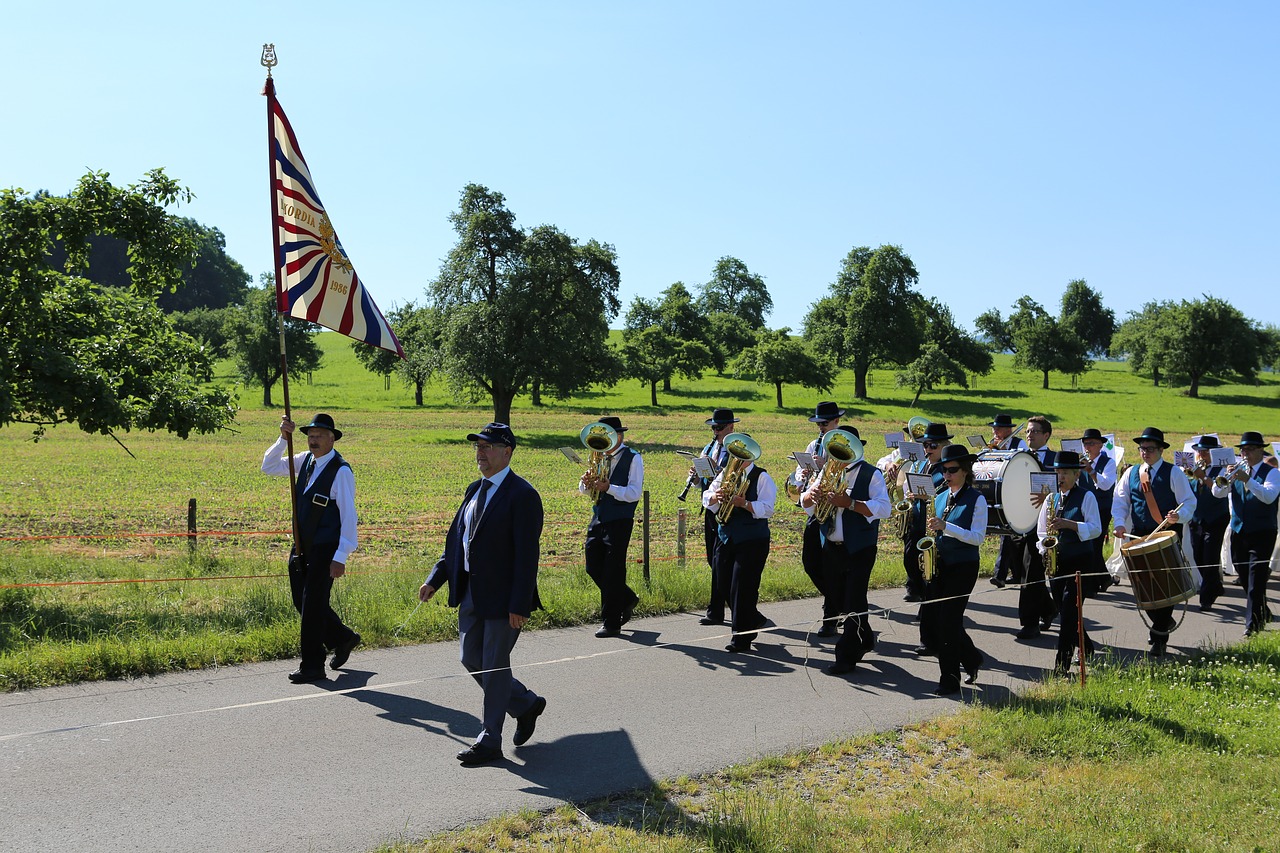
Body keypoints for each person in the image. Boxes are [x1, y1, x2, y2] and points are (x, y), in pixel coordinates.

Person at [419, 423, 547, 766]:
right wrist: (436, 578)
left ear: (507, 451)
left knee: (493, 666)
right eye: (477, 447)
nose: (480, 453)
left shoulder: (523, 495)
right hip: (471, 592)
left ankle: (490, 739)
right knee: (470, 659)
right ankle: (525, 704)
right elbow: (458, 542)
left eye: (487, 447)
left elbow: (526, 556)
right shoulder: (474, 489)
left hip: (505, 598)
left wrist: (519, 603)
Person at [261, 413, 361, 684]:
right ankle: (343, 638)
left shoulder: (341, 471)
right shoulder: (304, 460)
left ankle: (313, 666)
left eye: (319, 435)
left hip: (326, 549)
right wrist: (283, 439)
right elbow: (268, 467)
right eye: (310, 435)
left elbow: (348, 518)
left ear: (332, 438)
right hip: (302, 546)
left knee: (313, 606)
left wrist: (341, 556)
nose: (313, 440)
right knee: (302, 602)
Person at [801, 426, 891, 675]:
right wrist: (812, 495)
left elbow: (884, 509)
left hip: (860, 548)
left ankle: (845, 658)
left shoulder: (871, 475)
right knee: (842, 598)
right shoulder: (829, 471)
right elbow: (805, 504)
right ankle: (865, 636)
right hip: (832, 546)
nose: (838, 454)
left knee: (853, 599)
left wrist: (849, 503)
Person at [1113, 426, 1196, 657]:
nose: (1145, 452)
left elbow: (1189, 501)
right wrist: (1119, 523)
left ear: (1161, 450)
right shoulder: (1131, 473)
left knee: (1165, 585)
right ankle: (1163, 623)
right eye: (1142, 448)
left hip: (1166, 536)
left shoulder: (1174, 473)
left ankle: (1159, 638)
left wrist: (1179, 516)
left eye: (1150, 448)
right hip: (1139, 535)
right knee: (1144, 588)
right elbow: (1120, 500)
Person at [919, 444, 988, 695]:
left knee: (948, 623)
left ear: (965, 470)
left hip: (964, 566)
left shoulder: (977, 499)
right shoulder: (940, 496)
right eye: (944, 470)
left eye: (952, 470)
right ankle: (972, 659)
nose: (946, 475)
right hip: (940, 565)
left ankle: (949, 680)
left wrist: (946, 526)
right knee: (942, 621)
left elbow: (977, 537)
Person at [703, 434, 777, 653]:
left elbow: (768, 509)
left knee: (742, 588)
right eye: (734, 453)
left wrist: (744, 503)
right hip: (726, 536)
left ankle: (741, 638)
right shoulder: (725, 474)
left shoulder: (761, 477)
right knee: (723, 584)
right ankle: (752, 619)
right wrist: (716, 497)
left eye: (741, 454)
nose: (736, 458)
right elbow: (707, 498)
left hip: (753, 540)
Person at [1036, 451, 1102, 676]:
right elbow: (1041, 531)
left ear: (1076, 475)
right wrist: (1045, 548)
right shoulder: (1050, 498)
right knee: (1067, 612)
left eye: (1065, 472)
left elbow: (1096, 529)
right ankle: (1089, 648)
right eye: (1058, 472)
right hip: (1056, 562)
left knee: (1068, 611)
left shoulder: (1087, 497)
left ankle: (1061, 666)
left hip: (1080, 562)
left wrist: (1071, 525)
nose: (1061, 476)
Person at [579, 416, 643, 638]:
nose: (605, 441)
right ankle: (626, 598)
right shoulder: (598, 457)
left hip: (620, 519)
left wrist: (609, 488)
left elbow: (634, 493)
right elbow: (586, 492)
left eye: (609, 436)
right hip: (599, 516)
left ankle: (611, 622)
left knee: (613, 570)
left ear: (620, 436)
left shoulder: (634, 458)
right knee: (592, 566)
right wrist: (586, 484)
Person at [1211, 432, 1279, 636]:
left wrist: (1248, 480)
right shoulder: (1238, 470)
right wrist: (1223, 480)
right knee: (1243, 575)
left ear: (1260, 450)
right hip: (1239, 530)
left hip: (1263, 532)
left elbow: (1267, 497)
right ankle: (1263, 610)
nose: (1245, 454)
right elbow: (1217, 493)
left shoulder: (1273, 473)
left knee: (1255, 580)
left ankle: (1252, 625)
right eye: (1243, 450)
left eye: (1249, 449)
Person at [796, 401, 844, 635]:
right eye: (818, 424)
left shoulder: (845, 443)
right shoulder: (813, 444)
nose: (821, 428)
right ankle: (840, 601)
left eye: (825, 423)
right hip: (816, 509)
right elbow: (798, 475)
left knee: (832, 565)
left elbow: (852, 471)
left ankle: (831, 617)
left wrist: (827, 465)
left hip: (837, 509)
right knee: (810, 562)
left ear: (836, 421)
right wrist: (804, 473)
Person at [691, 408, 738, 626]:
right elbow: (703, 481)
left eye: (719, 428)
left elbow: (735, 475)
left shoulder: (737, 448)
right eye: (713, 428)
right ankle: (723, 609)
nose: (715, 431)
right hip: (711, 508)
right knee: (713, 560)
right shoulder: (709, 448)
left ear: (731, 427)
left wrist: (715, 468)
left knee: (721, 562)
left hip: (728, 510)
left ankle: (718, 610)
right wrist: (696, 477)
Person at [1014, 416, 1058, 638]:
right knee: (1022, 570)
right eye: (1028, 432)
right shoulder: (1019, 457)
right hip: (1020, 522)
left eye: (1034, 431)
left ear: (1046, 435)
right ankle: (1049, 609)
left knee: (1031, 573)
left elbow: (1067, 486)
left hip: (1044, 525)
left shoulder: (1055, 459)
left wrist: (1050, 498)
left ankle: (1029, 623)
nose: (1029, 435)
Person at [1188, 434, 1230, 609]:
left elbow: (1219, 491)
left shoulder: (1223, 471)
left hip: (1216, 518)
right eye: (1199, 452)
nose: (1202, 455)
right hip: (1197, 518)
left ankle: (1207, 598)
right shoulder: (1196, 468)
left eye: (1205, 452)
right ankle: (1216, 585)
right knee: (1198, 556)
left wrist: (1203, 477)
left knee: (1210, 557)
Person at [989, 414, 1026, 588]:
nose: (994, 431)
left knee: (1007, 533)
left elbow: (1024, 463)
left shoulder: (1020, 444)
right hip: (1000, 491)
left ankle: (1000, 574)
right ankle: (1016, 573)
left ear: (1008, 429)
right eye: (994, 427)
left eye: (998, 428)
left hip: (1016, 492)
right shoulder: (993, 442)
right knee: (1009, 535)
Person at [1079, 429, 1118, 593]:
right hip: (1085, 507)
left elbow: (1106, 485)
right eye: (1086, 444)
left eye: (1092, 443)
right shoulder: (1081, 462)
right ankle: (1103, 577)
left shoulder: (1108, 463)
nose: (1088, 447)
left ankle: (1092, 584)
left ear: (1101, 445)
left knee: (1094, 544)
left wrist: (1092, 471)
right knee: (1088, 544)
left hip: (1102, 508)